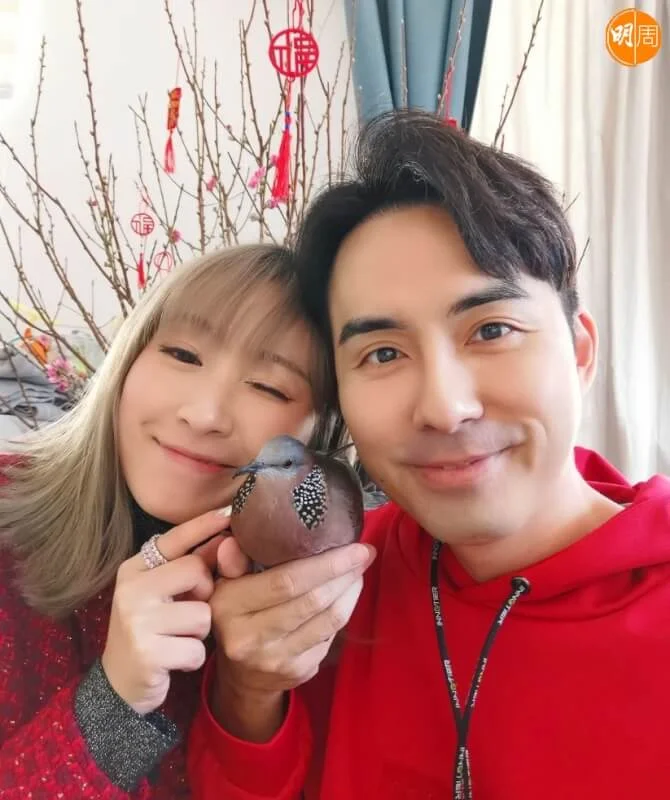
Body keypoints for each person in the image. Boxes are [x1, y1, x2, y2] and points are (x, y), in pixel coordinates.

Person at [187, 111, 670, 800]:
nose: (444, 408)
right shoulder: (319, 588)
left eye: (492, 330)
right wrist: (249, 691)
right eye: (383, 353)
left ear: (581, 352)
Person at [0, 244, 369, 798]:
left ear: (319, 439)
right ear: (129, 357)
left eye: (269, 387)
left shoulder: (325, 602)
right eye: (183, 354)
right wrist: (111, 707)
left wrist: (250, 696)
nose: (204, 415)